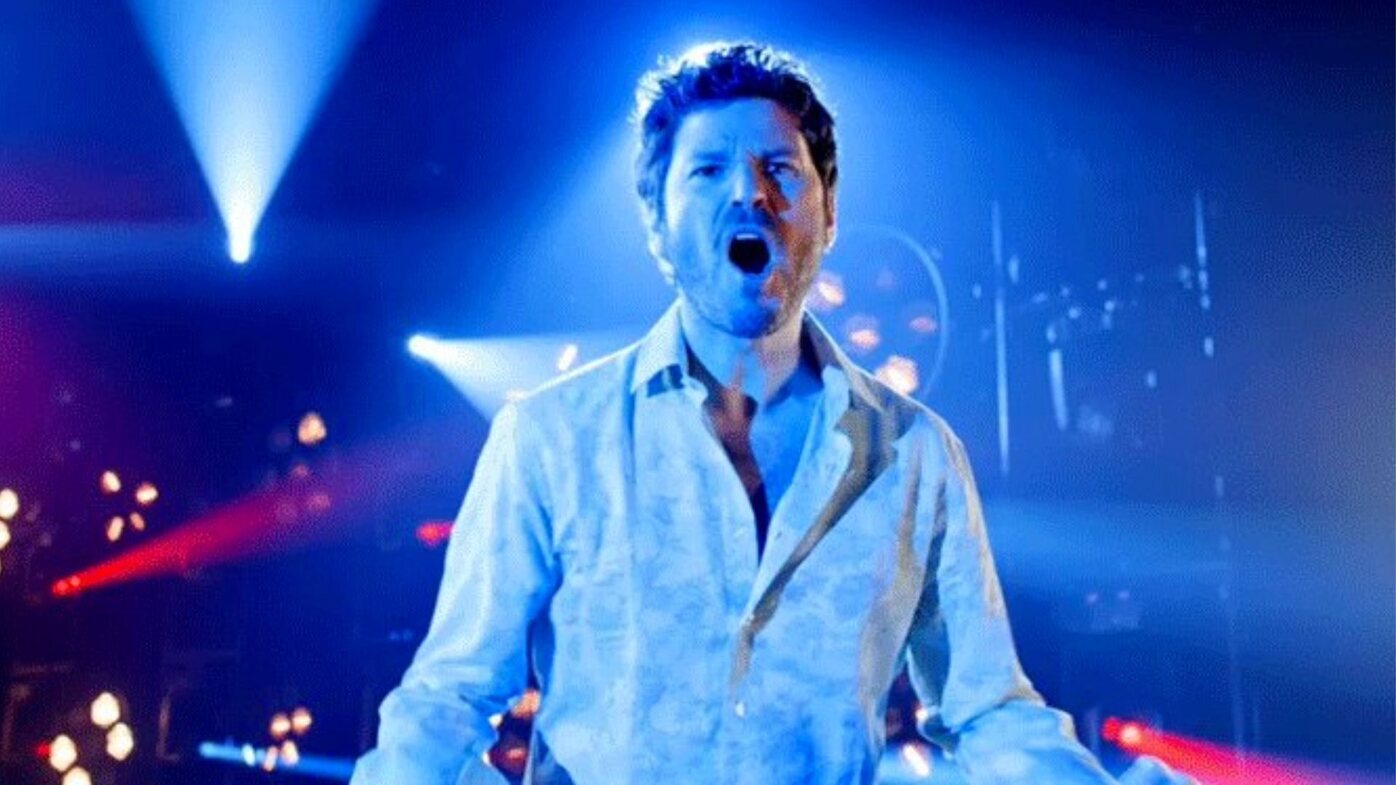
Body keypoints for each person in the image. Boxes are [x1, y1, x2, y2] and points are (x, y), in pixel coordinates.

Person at [352, 42, 1194, 785]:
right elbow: (449, 699)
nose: (748, 194)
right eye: (707, 170)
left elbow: (988, 712)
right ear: (656, 222)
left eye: (780, 170)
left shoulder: (915, 453)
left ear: (829, 214)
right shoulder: (551, 437)